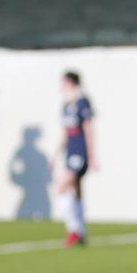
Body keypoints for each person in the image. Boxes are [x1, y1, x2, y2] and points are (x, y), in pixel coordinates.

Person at [55, 71, 93, 247]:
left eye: (63, 82)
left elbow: (88, 129)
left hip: (80, 152)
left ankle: (74, 230)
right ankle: (81, 231)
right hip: (70, 153)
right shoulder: (65, 106)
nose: (60, 85)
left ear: (70, 82)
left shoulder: (82, 102)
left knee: (62, 186)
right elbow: (65, 134)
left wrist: (92, 155)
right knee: (76, 190)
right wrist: (55, 156)